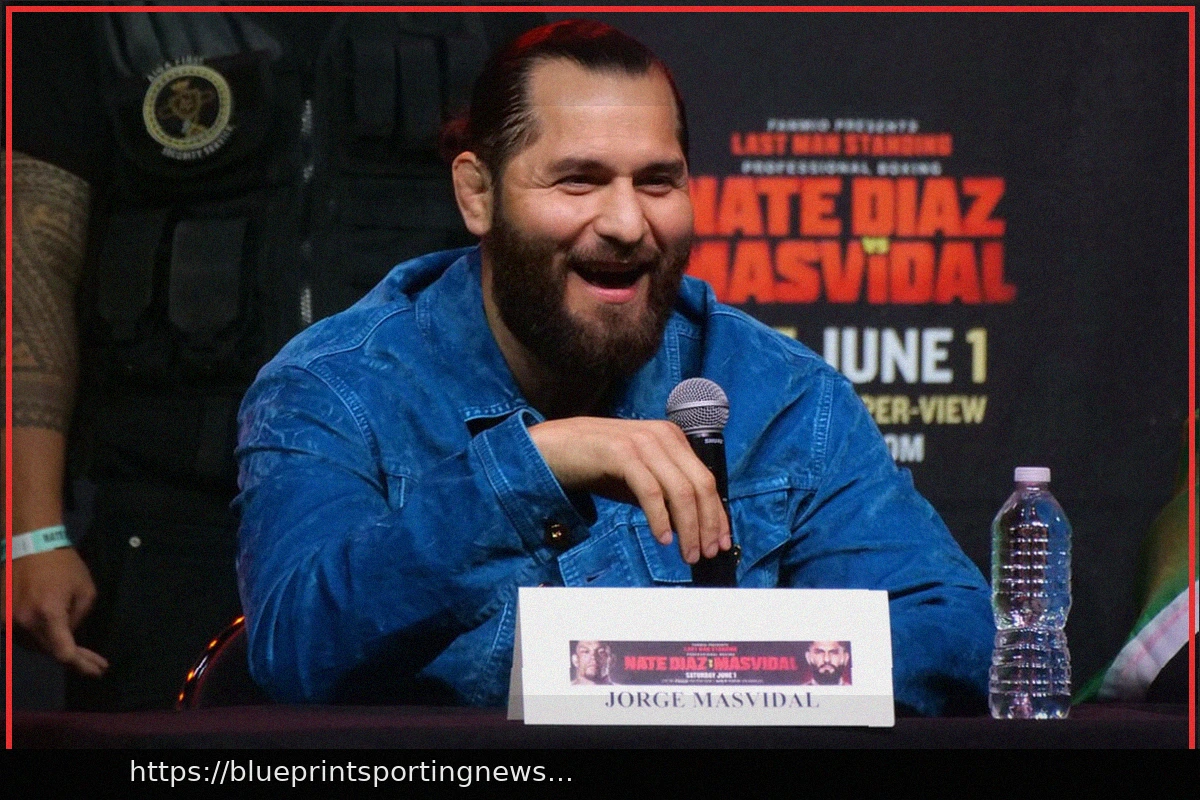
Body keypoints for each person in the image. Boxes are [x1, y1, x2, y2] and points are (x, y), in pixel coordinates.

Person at [235, 19, 995, 715]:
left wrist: (682, 676)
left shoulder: (783, 392)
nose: (628, 223)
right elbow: (296, 652)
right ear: (477, 193)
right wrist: (530, 467)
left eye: (658, 181)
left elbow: (955, 634)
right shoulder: (337, 388)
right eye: (579, 180)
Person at [7, 9, 538, 711]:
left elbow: (547, 224)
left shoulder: (492, 18)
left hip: (433, 500)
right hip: (173, 514)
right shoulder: (96, 20)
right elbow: (30, 264)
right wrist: (32, 531)